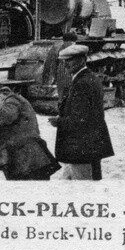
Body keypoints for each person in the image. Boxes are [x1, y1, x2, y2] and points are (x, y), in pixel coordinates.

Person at [0, 86, 61, 180]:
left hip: (28, 160)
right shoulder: (10, 103)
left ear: (1, 97)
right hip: (23, 160)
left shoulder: (12, 99)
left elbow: (6, 116)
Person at [50, 44, 114, 180]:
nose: (66, 65)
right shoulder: (90, 78)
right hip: (90, 145)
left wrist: (59, 122)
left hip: (81, 148)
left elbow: (81, 119)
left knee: (84, 188)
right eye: (64, 61)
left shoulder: (82, 83)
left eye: (69, 60)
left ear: (82, 60)